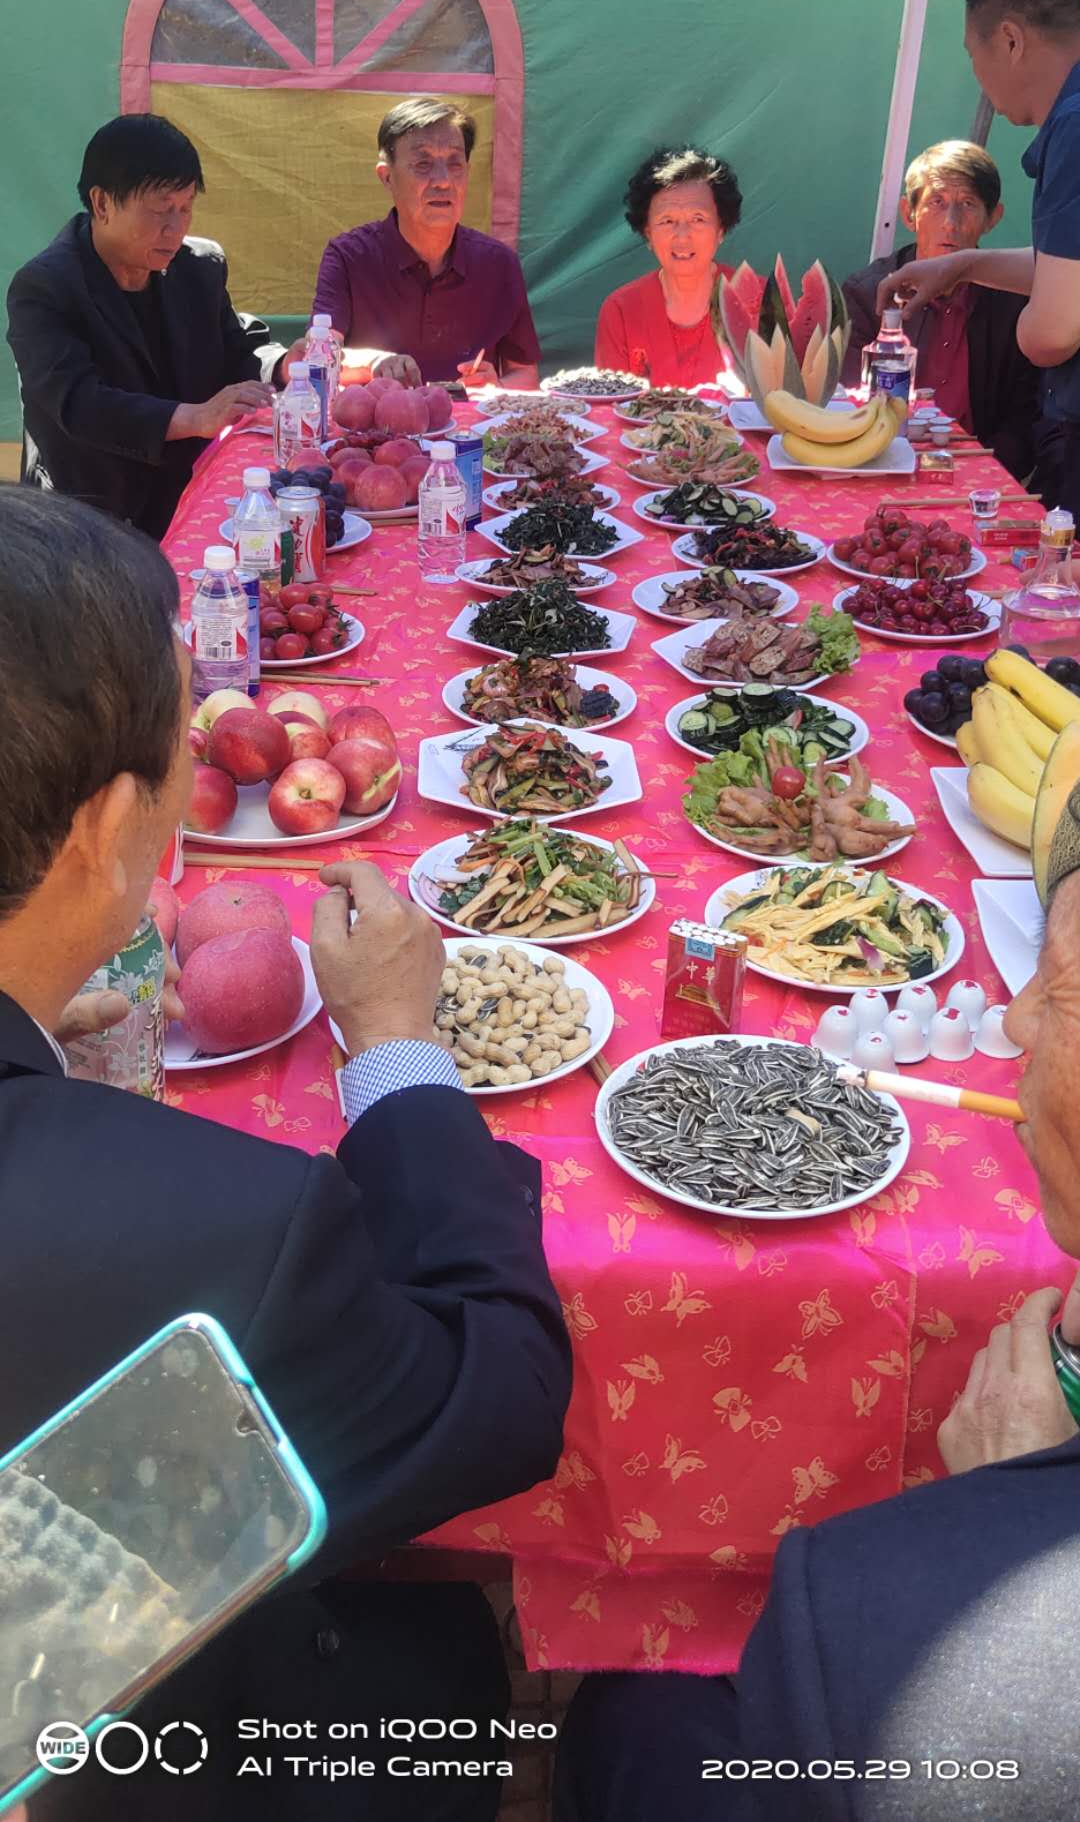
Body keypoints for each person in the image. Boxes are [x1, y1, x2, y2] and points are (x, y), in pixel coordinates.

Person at [0, 485, 571, 1820]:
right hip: (125, 1749)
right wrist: (396, 1047)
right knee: (433, 1673)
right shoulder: (221, 1233)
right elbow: (497, 1392)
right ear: (107, 828)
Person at [556, 809, 1080, 1821]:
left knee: (638, 1717)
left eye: (1059, 990)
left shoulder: (860, 1607)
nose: (1016, 1024)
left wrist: (1004, 1522)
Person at [5, 114, 295, 542]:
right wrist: (194, 417)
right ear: (102, 204)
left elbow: (236, 347)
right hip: (86, 518)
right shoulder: (44, 288)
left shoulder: (198, 266)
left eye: (186, 208)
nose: (175, 228)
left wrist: (285, 365)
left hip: (189, 497)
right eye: (160, 210)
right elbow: (79, 402)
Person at [876, 0, 1080, 519]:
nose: (977, 75)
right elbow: (1069, 271)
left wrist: (1027, 328)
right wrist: (965, 265)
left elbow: (1053, 331)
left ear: (1010, 40)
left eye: (973, 53)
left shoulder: (1073, 126)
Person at [842, 139, 1049, 488]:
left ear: (993, 218)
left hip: (977, 475)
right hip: (878, 465)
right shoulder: (867, 294)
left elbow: (1025, 417)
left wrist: (981, 473)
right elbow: (846, 400)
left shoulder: (1016, 302)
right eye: (936, 202)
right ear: (908, 213)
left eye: (968, 204)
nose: (951, 223)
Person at [313, 97, 540, 391]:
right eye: (423, 164)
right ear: (387, 177)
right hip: (377, 419)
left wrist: (497, 385)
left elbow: (526, 376)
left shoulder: (499, 263)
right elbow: (318, 361)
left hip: (469, 421)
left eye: (455, 164)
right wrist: (374, 363)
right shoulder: (348, 257)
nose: (443, 181)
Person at [594, 146, 742, 387]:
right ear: (648, 233)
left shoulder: (757, 301)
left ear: (721, 230)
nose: (682, 236)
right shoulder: (620, 311)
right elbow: (611, 404)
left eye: (698, 219)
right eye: (667, 221)